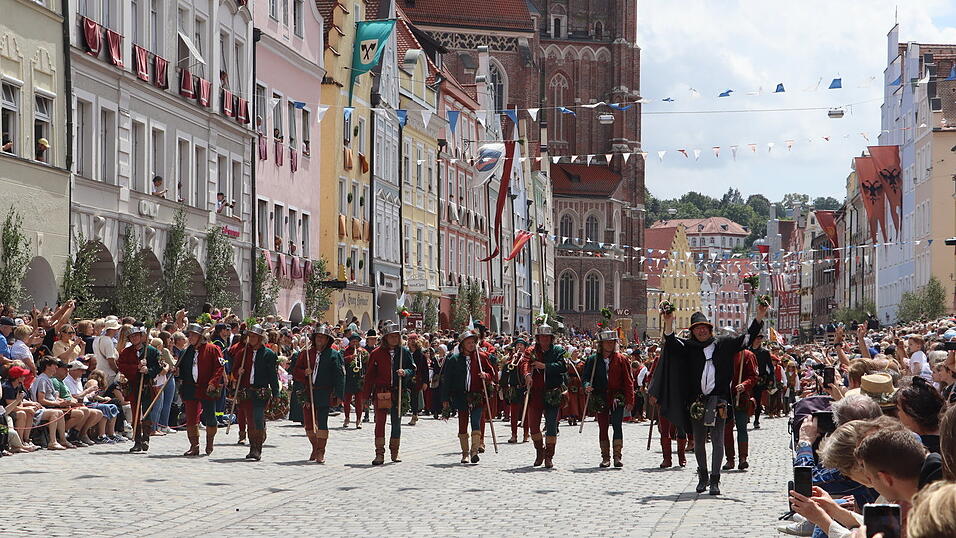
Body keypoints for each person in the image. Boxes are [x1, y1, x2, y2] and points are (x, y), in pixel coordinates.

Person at [650, 303, 766, 496]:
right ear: (692, 331)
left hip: (719, 399)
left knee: (718, 440)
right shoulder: (689, 347)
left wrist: (759, 316)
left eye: (704, 327)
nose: (701, 331)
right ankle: (703, 475)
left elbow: (746, 338)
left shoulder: (724, 344)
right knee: (699, 440)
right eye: (697, 328)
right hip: (697, 401)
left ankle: (715, 479)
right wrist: (668, 322)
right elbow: (670, 343)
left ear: (710, 329)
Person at [362, 321, 415, 465]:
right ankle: (379, 453)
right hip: (381, 392)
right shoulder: (376, 353)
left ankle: (395, 451)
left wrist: (405, 372)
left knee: (396, 422)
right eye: (391, 336)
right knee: (380, 422)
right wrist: (365, 396)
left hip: (398, 391)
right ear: (385, 338)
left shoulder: (404, 352)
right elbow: (369, 377)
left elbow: (412, 369)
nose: (394, 339)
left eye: (396, 336)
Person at [441, 329, 495, 464]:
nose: (471, 345)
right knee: (463, 423)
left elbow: (492, 373)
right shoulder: (454, 360)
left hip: (477, 395)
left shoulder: (481, 357)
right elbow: (447, 381)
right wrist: (445, 399)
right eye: (468, 342)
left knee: (476, 422)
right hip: (461, 395)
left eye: (473, 342)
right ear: (462, 344)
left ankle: (474, 451)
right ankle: (465, 453)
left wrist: (486, 376)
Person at [582, 329, 635, 468]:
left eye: (612, 342)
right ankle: (605, 457)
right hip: (600, 397)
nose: (610, 345)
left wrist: (630, 399)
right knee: (603, 427)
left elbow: (628, 380)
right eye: (607, 342)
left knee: (617, 425)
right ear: (601, 344)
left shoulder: (622, 359)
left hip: (617, 397)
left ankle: (617, 456)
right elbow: (586, 377)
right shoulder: (593, 360)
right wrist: (587, 386)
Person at [292, 326, 345, 464]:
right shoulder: (306, 354)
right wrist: (304, 373)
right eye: (318, 337)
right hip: (308, 392)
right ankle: (315, 447)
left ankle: (321, 451)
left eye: (323, 337)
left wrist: (339, 395)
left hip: (324, 392)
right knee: (308, 423)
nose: (320, 339)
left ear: (327, 340)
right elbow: (296, 371)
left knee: (322, 422)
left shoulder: (334, 355)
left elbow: (339, 376)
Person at [519, 323, 567, 469]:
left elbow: (562, 367)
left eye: (547, 337)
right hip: (535, 393)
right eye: (542, 337)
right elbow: (525, 363)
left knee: (551, 425)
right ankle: (540, 451)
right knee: (533, 426)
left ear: (551, 338)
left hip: (553, 392)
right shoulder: (531, 350)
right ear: (538, 338)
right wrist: (527, 375)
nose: (544, 339)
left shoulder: (558, 351)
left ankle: (549, 456)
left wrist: (545, 366)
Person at [229, 324, 279, 461]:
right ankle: (252, 447)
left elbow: (273, 376)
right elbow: (234, 370)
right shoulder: (242, 353)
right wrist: (238, 372)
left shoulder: (269, 354)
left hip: (260, 392)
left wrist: (276, 393)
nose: (251, 339)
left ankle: (258, 448)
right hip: (246, 391)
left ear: (260, 338)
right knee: (250, 420)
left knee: (257, 417)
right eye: (249, 336)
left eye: (254, 336)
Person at [176, 324, 224, 456]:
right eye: (189, 335)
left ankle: (209, 442)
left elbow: (219, 368)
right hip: (190, 388)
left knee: (210, 417)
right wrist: (177, 372)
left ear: (200, 337)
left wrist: (213, 382)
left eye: (193, 335)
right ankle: (194, 446)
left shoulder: (213, 349)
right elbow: (182, 370)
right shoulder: (185, 352)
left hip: (207, 388)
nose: (190, 337)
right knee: (191, 418)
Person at [117, 326, 163, 452]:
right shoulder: (126, 352)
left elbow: (159, 366)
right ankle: (137, 441)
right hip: (133, 386)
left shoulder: (152, 351)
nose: (134, 338)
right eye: (132, 336)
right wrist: (136, 368)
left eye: (136, 335)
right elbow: (121, 366)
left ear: (141, 336)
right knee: (135, 412)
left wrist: (148, 370)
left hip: (147, 385)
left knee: (147, 412)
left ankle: (145, 438)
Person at [723, 347, 758, 471]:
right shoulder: (722, 353)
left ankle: (743, 458)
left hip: (740, 397)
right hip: (724, 397)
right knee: (726, 429)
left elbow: (754, 376)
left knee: (742, 428)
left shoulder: (747, 355)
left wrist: (744, 384)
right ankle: (730, 459)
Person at [895, 376, 943, 452]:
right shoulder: (947, 440)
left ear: (912, 414)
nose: (898, 414)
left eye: (899, 409)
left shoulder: (915, 451)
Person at [501, 338, 530, 443]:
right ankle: (514, 435)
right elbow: (506, 371)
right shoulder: (511, 359)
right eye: (517, 345)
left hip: (525, 389)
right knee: (514, 413)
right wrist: (512, 360)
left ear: (525, 347)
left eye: (521, 345)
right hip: (514, 389)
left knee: (526, 413)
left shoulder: (528, 359)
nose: (519, 347)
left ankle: (526, 434)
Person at [341, 333, 367, 429]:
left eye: (356, 342)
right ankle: (347, 418)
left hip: (359, 379)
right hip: (348, 378)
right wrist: (351, 357)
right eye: (353, 342)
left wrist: (362, 355)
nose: (355, 343)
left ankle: (358, 420)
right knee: (347, 400)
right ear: (350, 342)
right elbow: (341, 361)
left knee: (359, 401)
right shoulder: (345, 351)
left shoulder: (363, 351)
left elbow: (367, 362)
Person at [750, 333, 772, 429]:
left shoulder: (764, 352)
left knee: (758, 400)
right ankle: (746, 417)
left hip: (759, 379)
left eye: (760, 338)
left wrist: (771, 378)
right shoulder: (747, 350)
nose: (758, 340)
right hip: (748, 378)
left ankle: (756, 420)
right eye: (756, 338)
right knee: (746, 399)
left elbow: (770, 366)